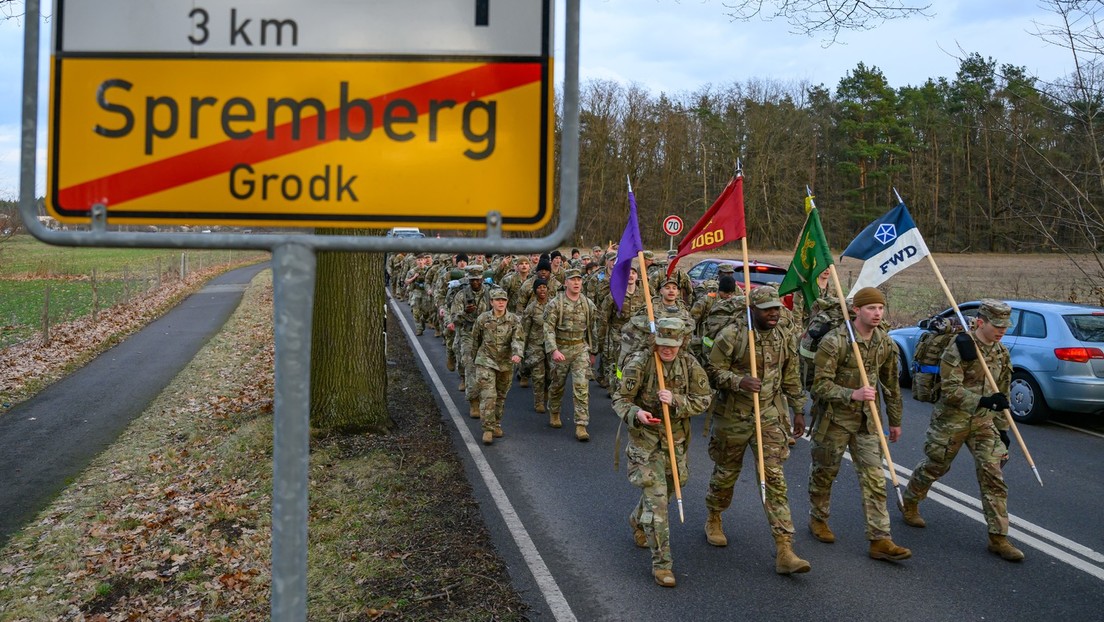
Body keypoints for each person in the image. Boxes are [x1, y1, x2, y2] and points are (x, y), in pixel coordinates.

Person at [900, 300, 1024, 561]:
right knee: (936, 466)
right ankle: (910, 500)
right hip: (952, 420)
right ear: (981, 322)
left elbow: (1002, 393)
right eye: (997, 325)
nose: (1002, 330)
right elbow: (950, 390)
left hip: (983, 422)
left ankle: (998, 537)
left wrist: (1002, 428)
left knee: (994, 477)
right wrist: (983, 401)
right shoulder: (960, 348)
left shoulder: (1001, 352)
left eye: (1005, 326)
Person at [703, 286, 811, 575]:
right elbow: (711, 372)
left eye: (777, 308)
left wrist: (798, 410)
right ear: (753, 310)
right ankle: (714, 515)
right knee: (726, 473)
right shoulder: (732, 335)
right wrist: (738, 381)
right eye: (767, 309)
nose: (774, 314)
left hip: (770, 415)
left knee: (774, 477)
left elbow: (791, 376)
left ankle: (784, 548)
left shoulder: (783, 336)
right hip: (734, 416)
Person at [808, 287, 911, 562]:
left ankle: (880, 539)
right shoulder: (835, 341)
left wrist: (896, 421)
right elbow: (819, 386)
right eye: (870, 308)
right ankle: (818, 519)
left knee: (875, 478)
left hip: (867, 421)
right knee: (824, 473)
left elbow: (891, 385)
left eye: (880, 308)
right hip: (834, 420)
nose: (877, 313)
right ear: (856, 310)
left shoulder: (886, 343)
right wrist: (850, 393)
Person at [613, 318, 712, 588]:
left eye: (673, 345)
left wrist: (677, 401)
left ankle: (636, 519)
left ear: (681, 342)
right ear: (655, 342)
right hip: (645, 444)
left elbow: (705, 399)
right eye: (663, 345)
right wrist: (638, 414)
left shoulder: (690, 364)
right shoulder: (640, 362)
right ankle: (663, 565)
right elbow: (620, 399)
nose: (667, 350)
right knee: (658, 504)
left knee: (672, 487)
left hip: (675, 441)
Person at [544, 268, 598, 440]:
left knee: (582, 387)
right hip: (561, 348)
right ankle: (554, 411)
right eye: (572, 280)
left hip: (580, 348)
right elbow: (548, 329)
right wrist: (553, 350)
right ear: (566, 282)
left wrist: (593, 351)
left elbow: (592, 329)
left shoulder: (588, 304)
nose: (576, 283)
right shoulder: (555, 303)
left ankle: (581, 424)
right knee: (557, 384)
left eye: (579, 280)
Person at [471, 288, 524, 445]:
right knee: (489, 395)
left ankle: (496, 423)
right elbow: (476, 339)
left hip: (506, 362)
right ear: (491, 302)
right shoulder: (483, 319)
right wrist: (474, 359)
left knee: (501, 395)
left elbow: (518, 339)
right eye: (497, 300)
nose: (501, 302)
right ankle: (487, 429)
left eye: (503, 299)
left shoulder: (513, 320)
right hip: (485, 360)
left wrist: (517, 353)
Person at [449, 265, 491, 407]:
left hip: (485, 334)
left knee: (487, 368)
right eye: (472, 280)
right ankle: (473, 401)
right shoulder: (461, 295)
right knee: (470, 365)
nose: (475, 283)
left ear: (482, 279)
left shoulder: (489, 294)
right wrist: (465, 313)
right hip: (467, 333)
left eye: (478, 280)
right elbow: (454, 318)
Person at [520, 278, 553, 413]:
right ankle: (538, 401)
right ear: (535, 290)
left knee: (550, 375)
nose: (542, 290)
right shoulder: (531, 308)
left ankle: (546, 392)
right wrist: (522, 348)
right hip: (536, 346)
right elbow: (525, 330)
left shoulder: (553, 305)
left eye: (544, 287)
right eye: (539, 287)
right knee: (538, 375)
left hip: (551, 345)